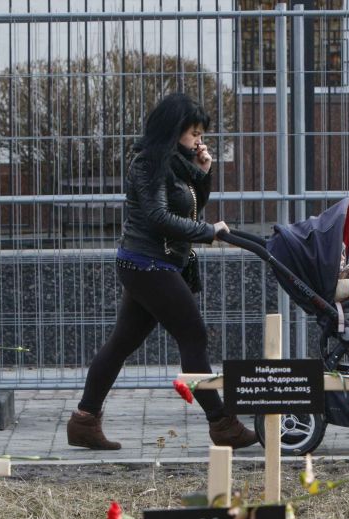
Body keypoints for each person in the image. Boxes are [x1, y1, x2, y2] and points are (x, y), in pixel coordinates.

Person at [67, 93, 257, 450]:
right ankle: (222, 424)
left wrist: (203, 174)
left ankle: (84, 421)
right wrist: (208, 232)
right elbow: (159, 218)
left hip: (155, 263)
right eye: (193, 133)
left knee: (123, 342)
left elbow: (191, 207)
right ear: (173, 131)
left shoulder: (177, 164)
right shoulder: (149, 163)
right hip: (146, 264)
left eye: (201, 133)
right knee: (193, 334)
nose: (199, 141)